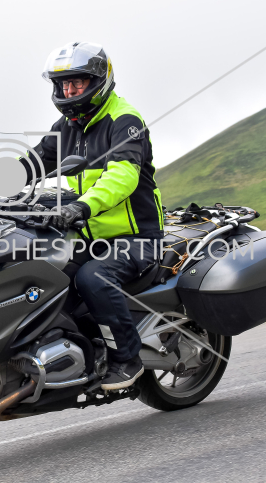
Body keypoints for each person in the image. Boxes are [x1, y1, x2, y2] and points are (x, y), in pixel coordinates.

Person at [24, 41, 164, 390]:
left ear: (99, 81)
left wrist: (80, 207)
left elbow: (123, 176)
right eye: (63, 84)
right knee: (39, 272)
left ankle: (127, 360)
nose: (69, 91)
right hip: (88, 236)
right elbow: (33, 162)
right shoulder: (67, 126)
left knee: (93, 278)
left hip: (135, 237)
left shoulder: (124, 120)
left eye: (77, 82)